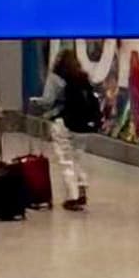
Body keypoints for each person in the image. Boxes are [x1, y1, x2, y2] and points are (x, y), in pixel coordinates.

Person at [40, 49, 100, 211]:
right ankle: (82, 189)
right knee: (78, 159)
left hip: (63, 124)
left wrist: (36, 103)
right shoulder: (82, 78)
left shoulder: (55, 78)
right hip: (83, 127)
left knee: (66, 160)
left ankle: (72, 196)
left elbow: (47, 101)